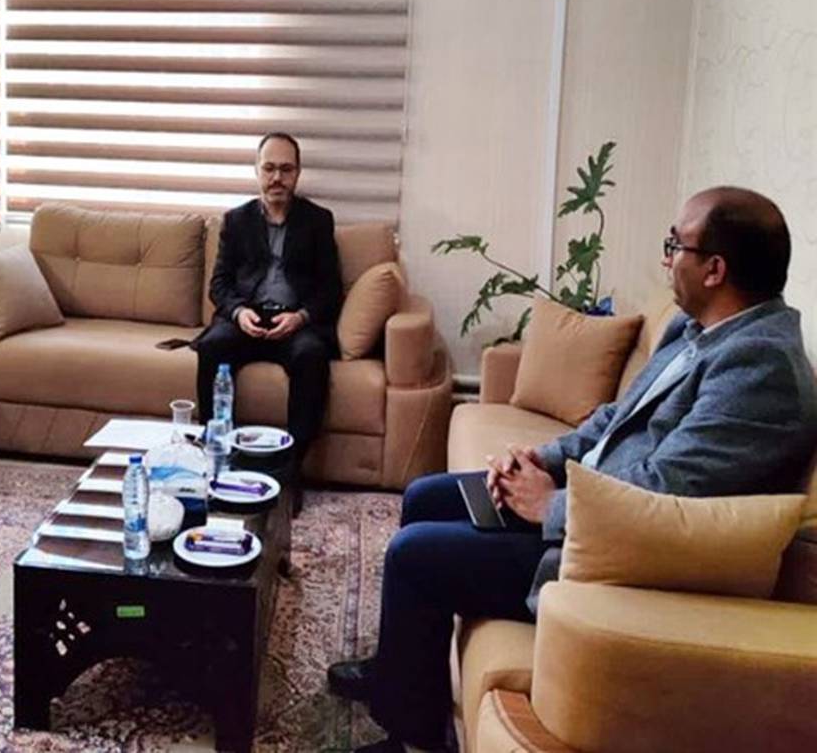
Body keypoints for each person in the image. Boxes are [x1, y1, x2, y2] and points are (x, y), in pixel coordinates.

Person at [326, 186, 817, 753]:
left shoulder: (761, 369)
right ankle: (401, 674)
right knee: (426, 497)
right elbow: (617, 418)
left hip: (614, 551)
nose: (665, 260)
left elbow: (668, 493)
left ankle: (413, 741)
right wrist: (544, 459)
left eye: (674, 245)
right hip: (592, 501)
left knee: (415, 556)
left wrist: (550, 505)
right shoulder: (698, 330)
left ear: (714, 270)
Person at [194, 132, 342, 463]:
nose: (277, 178)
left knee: (311, 355)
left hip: (295, 322)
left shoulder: (318, 221)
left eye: (286, 169)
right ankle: (218, 453)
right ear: (257, 170)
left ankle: (292, 465)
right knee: (212, 346)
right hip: (247, 318)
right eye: (269, 168)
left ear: (298, 173)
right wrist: (238, 312)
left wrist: (301, 317)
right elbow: (219, 284)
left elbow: (330, 288)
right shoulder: (236, 220)